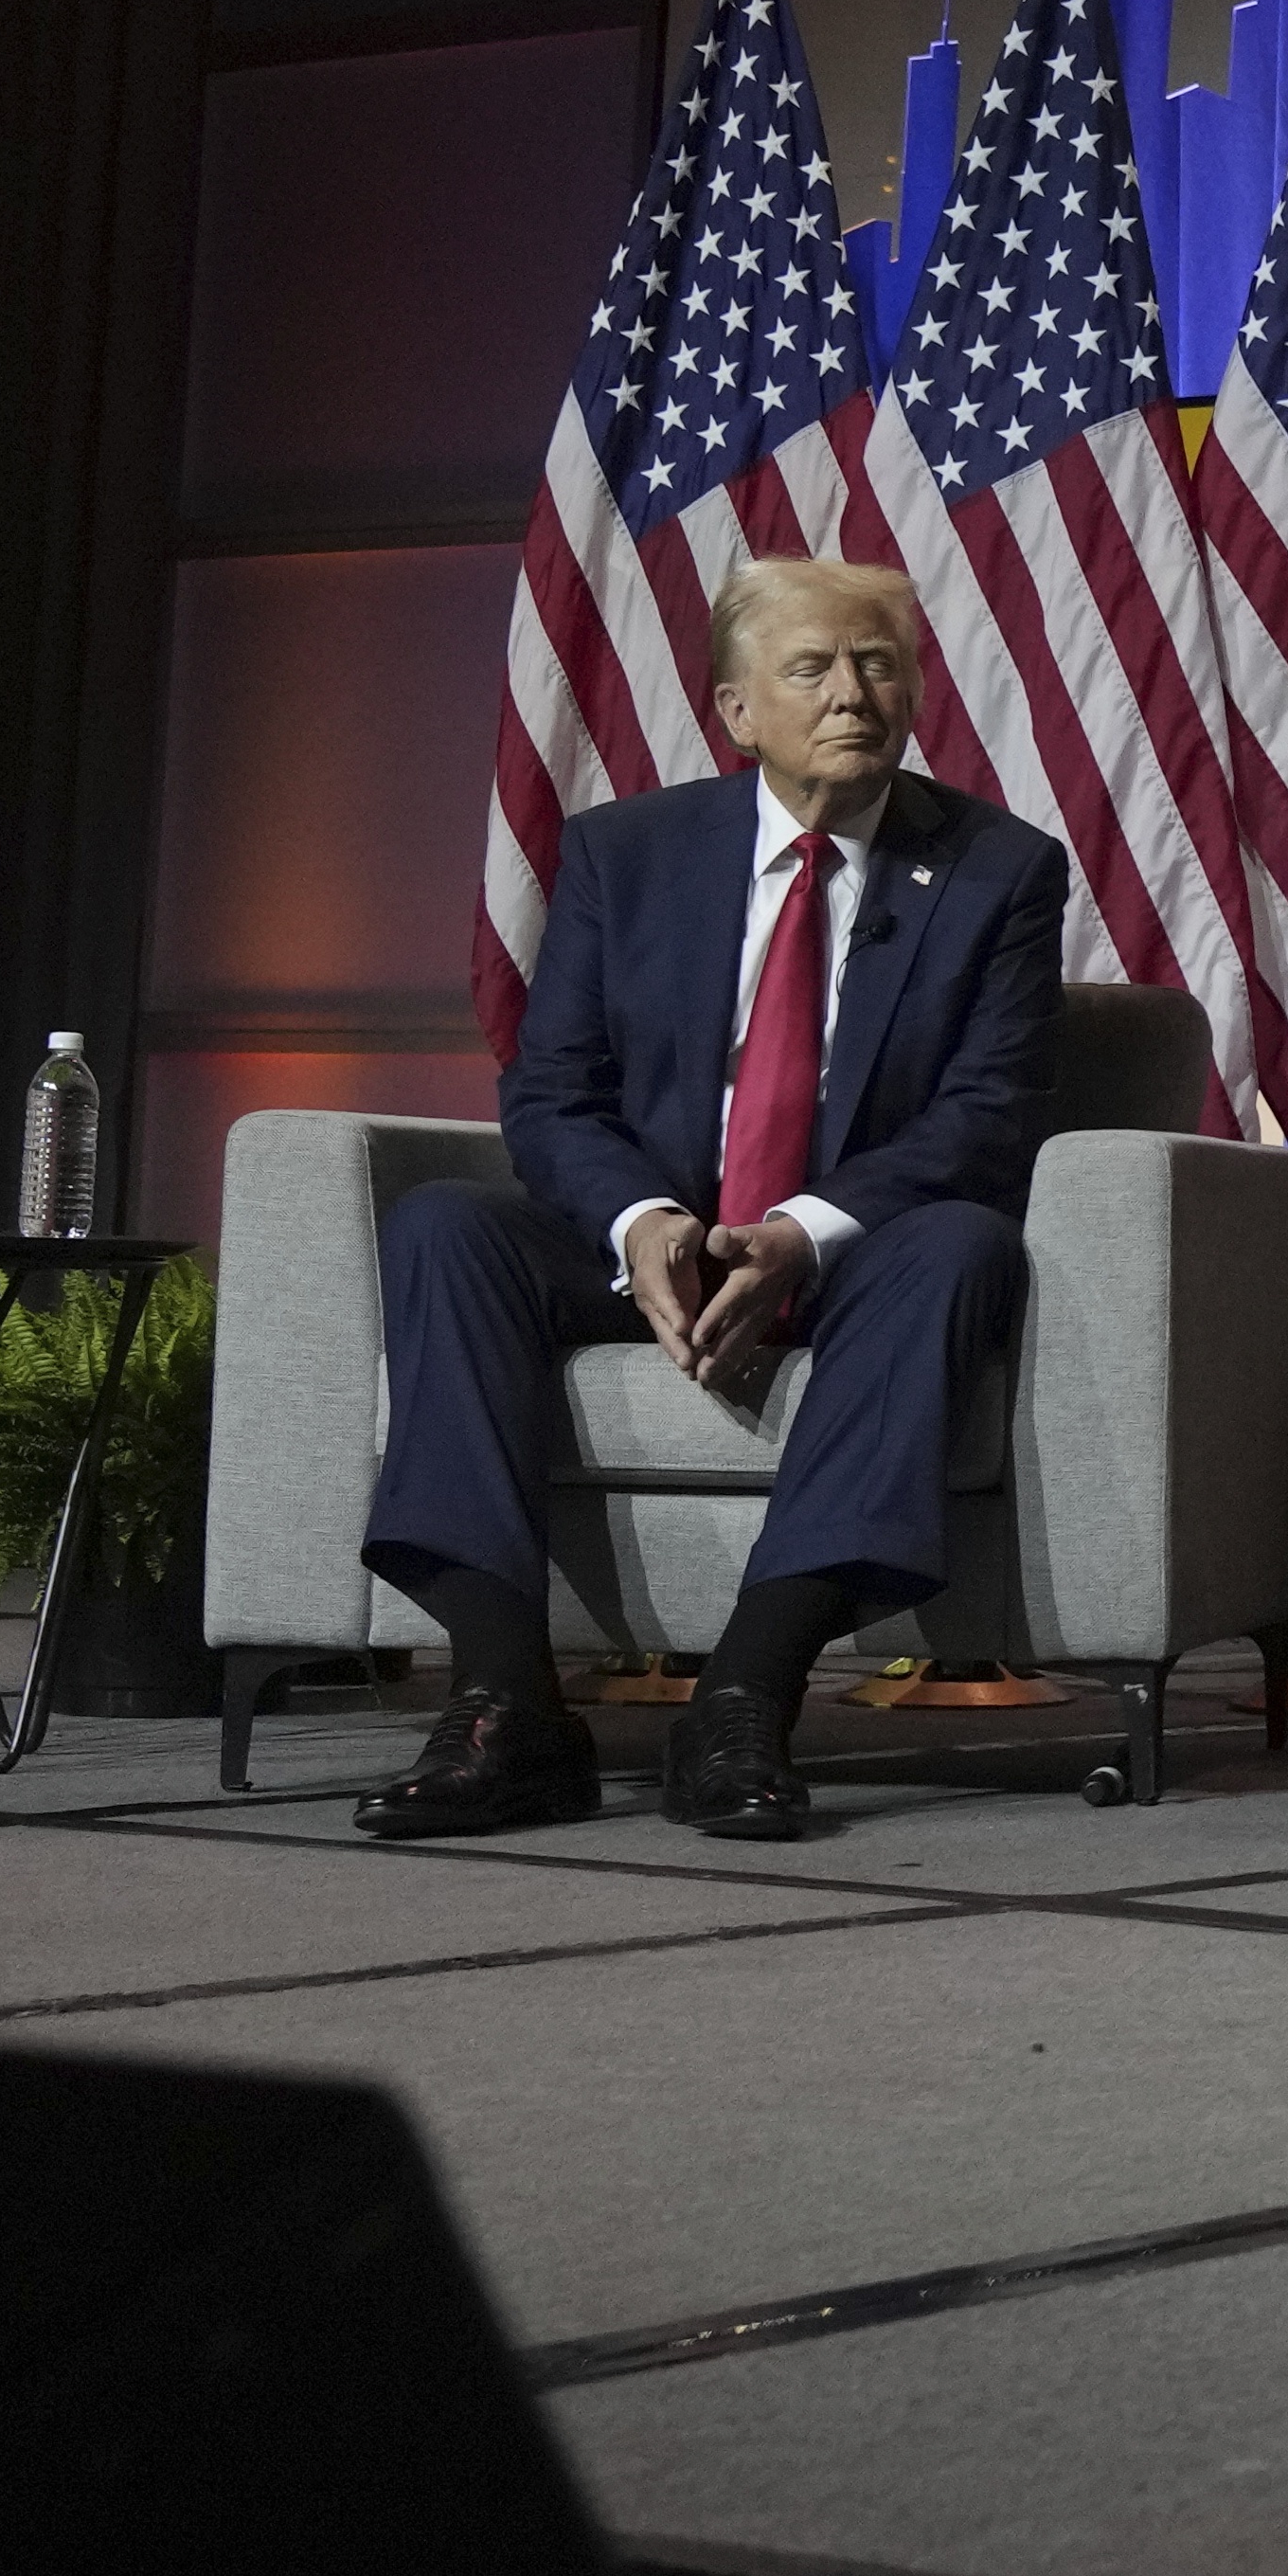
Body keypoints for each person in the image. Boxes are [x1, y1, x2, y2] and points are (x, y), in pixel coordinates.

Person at [353, 556, 1070, 1850]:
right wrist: (642, 1226)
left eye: (878, 665)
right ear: (737, 710)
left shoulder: (997, 871)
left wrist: (801, 1232)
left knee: (963, 1245)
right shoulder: (627, 854)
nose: (854, 693)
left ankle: (743, 1696)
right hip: (653, 1244)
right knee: (444, 1228)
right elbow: (553, 1092)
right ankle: (504, 1708)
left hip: (853, 1253)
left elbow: (986, 1116)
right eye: (812, 669)